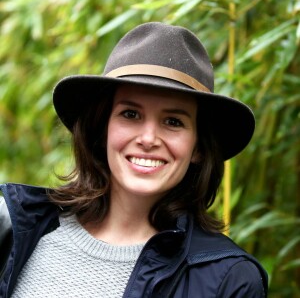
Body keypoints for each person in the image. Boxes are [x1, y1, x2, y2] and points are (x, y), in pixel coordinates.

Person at [0, 22, 268, 297]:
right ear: (102, 129)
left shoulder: (229, 280)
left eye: (173, 121)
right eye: (130, 114)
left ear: (198, 147)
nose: (149, 138)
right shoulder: (14, 229)